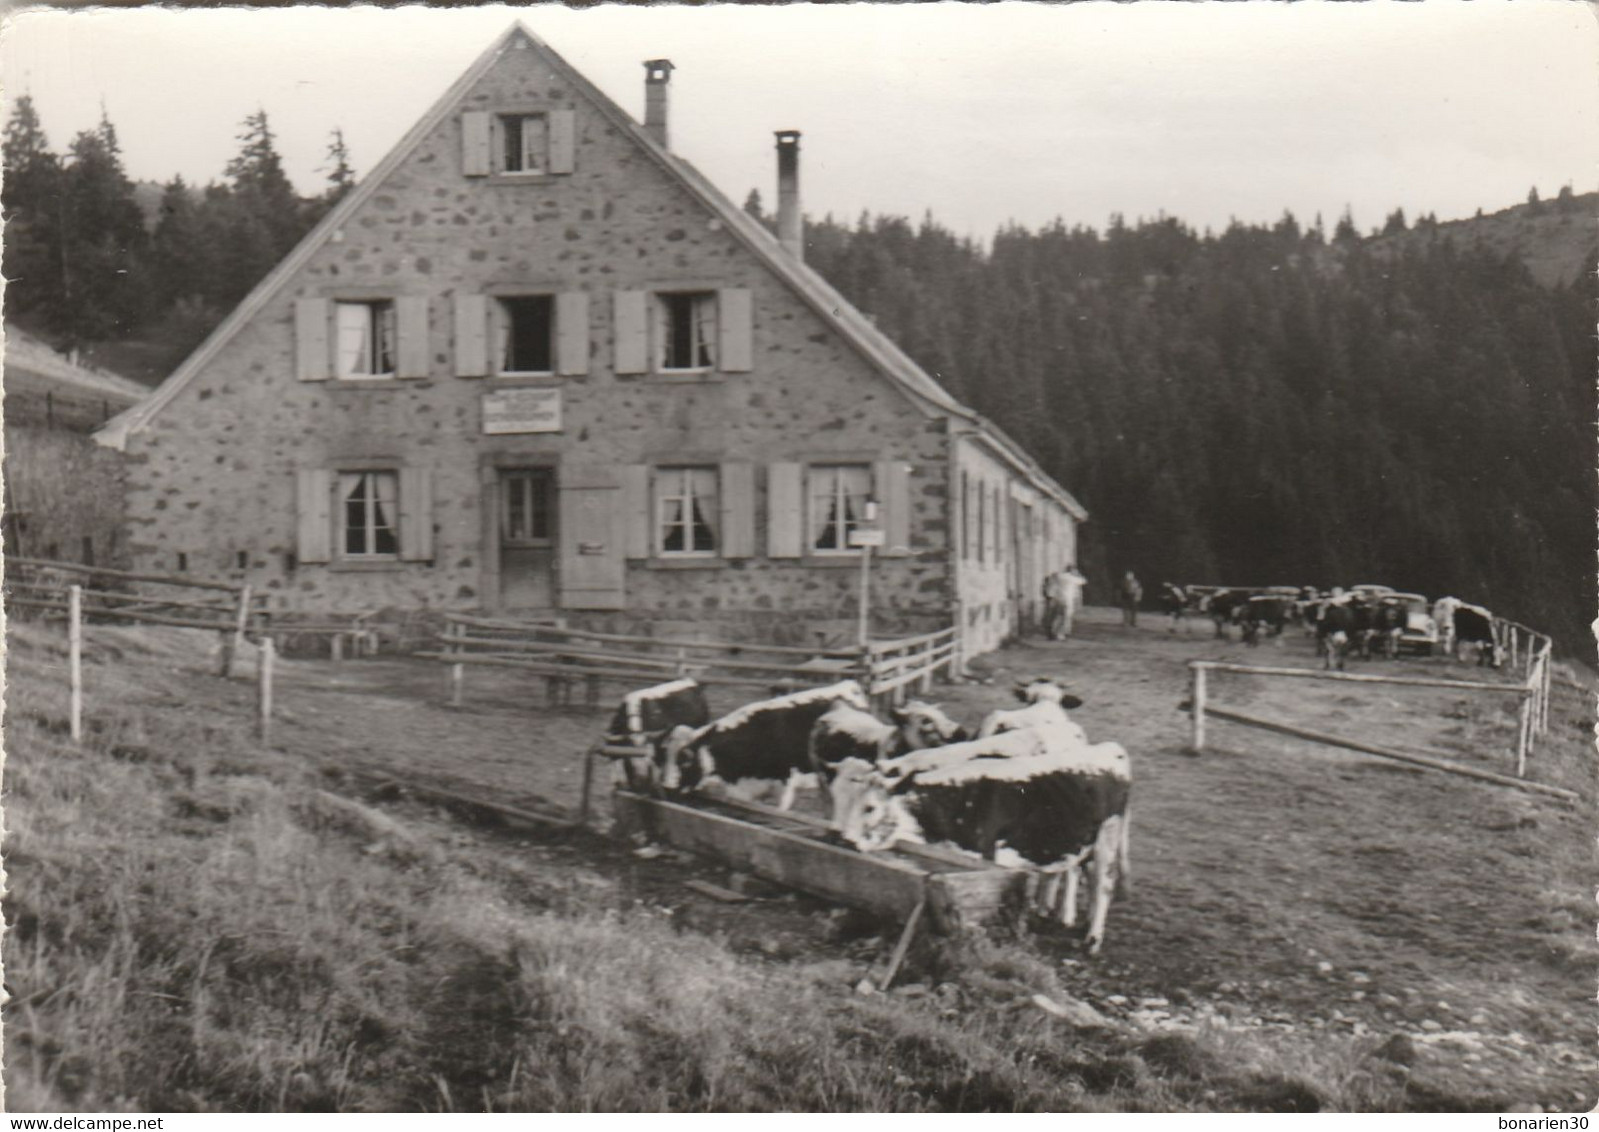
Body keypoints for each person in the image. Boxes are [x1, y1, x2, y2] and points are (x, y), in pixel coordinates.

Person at [1059, 563, 1086, 637]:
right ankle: (1064, 632)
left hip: (1058, 598)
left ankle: (1058, 632)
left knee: (1059, 616)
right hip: (1068, 599)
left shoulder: (1060, 576)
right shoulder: (1072, 578)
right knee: (1067, 616)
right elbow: (1083, 581)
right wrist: (1077, 574)